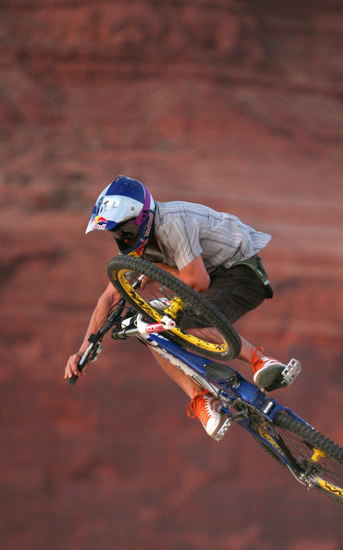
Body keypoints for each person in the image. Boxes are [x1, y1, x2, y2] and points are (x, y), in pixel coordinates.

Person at [65, 175, 296, 440]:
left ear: (142, 219)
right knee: (149, 327)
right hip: (214, 279)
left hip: (242, 273)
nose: (122, 238)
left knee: (190, 318)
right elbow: (109, 298)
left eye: (125, 231)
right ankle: (200, 399)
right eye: (116, 233)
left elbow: (197, 281)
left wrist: (155, 269)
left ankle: (261, 360)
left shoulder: (171, 223)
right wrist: (84, 349)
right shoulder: (137, 246)